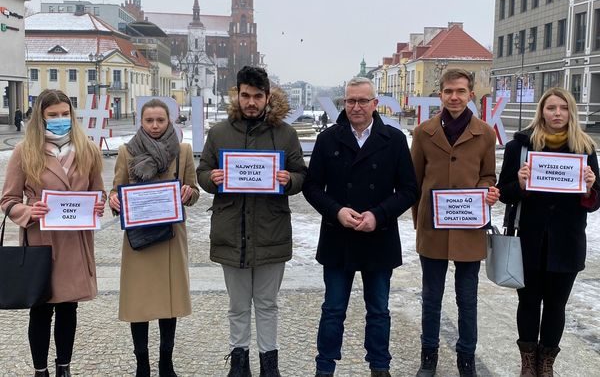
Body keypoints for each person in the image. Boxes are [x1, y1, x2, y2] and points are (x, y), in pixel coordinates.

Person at [302, 76, 418, 377]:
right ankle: (324, 367)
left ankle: (380, 366)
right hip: (338, 236)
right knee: (333, 309)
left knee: (379, 310)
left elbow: (408, 190)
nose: (355, 106)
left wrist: (378, 215)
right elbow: (312, 186)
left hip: (378, 236)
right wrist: (336, 211)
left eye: (362, 101)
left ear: (375, 104)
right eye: (350, 100)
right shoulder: (329, 138)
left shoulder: (393, 139)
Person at [197, 65, 306, 377]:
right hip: (231, 229)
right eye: (246, 95)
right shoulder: (219, 132)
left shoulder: (285, 133)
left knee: (268, 303)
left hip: (270, 229)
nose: (252, 102)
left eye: (258, 96)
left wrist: (288, 180)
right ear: (237, 95)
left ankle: (269, 364)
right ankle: (239, 361)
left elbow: (301, 174)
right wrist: (212, 178)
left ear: (268, 97)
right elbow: (203, 171)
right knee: (238, 305)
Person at [0, 89, 105, 377]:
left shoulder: (88, 149)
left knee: (69, 307)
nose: (60, 119)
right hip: (41, 241)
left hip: (74, 240)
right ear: (41, 118)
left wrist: (98, 205)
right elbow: (8, 200)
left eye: (65, 114)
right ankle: (40, 370)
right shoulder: (26, 151)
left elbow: (98, 192)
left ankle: (64, 368)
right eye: (53, 115)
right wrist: (27, 212)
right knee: (42, 308)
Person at [497, 87, 599, 377]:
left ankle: (547, 363)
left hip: (567, 241)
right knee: (528, 303)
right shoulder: (521, 146)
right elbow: (505, 194)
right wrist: (520, 183)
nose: (557, 113)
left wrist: (590, 188)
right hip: (531, 239)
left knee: (556, 305)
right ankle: (528, 361)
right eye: (551, 108)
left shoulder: (585, 148)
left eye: (563, 108)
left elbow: (595, 202)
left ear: (571, 112)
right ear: (541, 111)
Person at [410, 69, 499, 377]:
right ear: (440, 95)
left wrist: (489, 190)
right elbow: (414, 181)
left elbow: (489, 175)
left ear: (471, 94)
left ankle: (466, 359)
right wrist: (417, 221)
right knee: (431, 298)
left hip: (469, 226)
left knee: (467, 299)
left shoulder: (485, 133)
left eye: (461, 91)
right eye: (449, 91)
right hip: (432, 226)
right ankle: (428, 358)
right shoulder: (423, 132)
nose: (454, 97)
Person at [109, 98, 200, 377]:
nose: (155, 125)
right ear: (141, 121)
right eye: (149, 120)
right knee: (139, 304)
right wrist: (113, 200)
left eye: (160, 120)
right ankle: (142, 365)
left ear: (169, 120)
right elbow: (116, 189)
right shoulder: (127, 151)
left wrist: (189, 193)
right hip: (139, 239)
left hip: (170, 238)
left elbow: (194, 191)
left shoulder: (183, 152)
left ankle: (166, 363)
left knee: (167, 303)